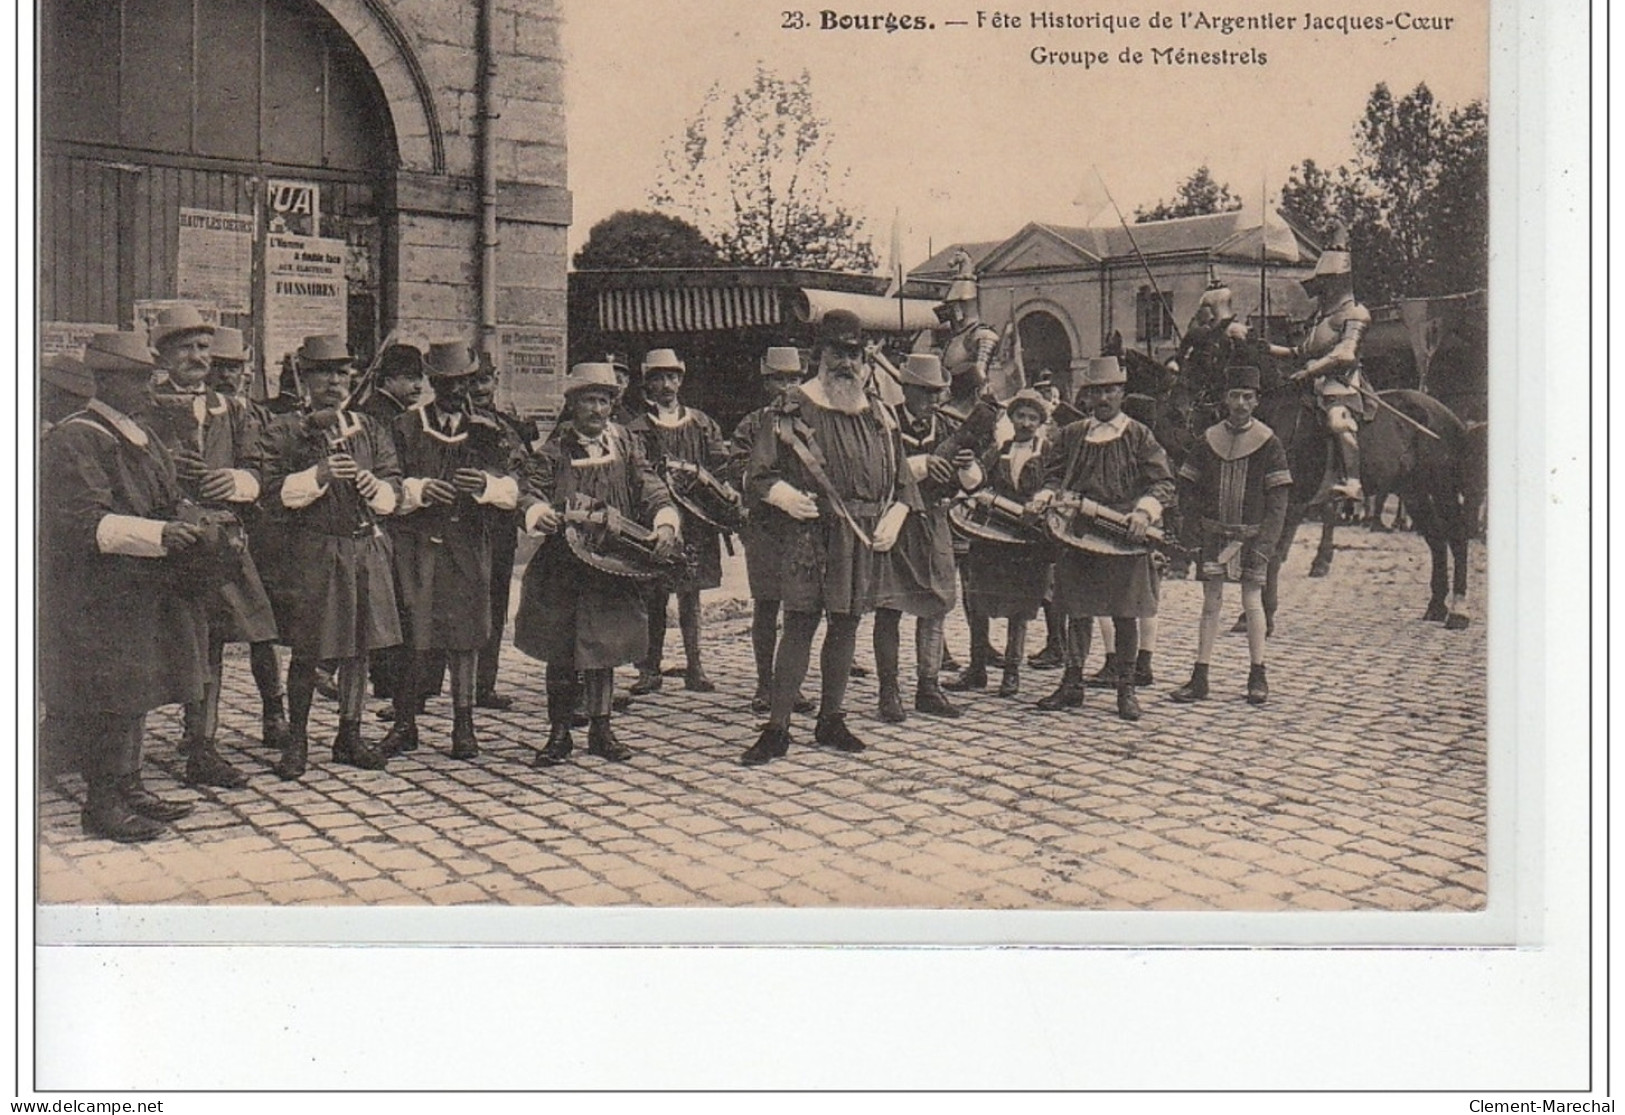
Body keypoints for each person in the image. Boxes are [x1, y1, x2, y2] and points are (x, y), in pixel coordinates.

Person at [41, 331, 211, 841]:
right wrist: (163, 532)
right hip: (95, 589)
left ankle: (129, 784)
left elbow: (167, 493)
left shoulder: (140, 432)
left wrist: (190, 516)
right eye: (138, 380)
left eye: (149, 378)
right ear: (106, 381)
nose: (148, 389)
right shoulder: (76, 436)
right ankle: (101, 804)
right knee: (106, 695)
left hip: (139, 581)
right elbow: (82, 522)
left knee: (135, 691)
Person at [739, 309, 921, 765]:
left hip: (862, 535)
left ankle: (831, 719)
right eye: (838, 352)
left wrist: (896, 513)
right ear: (819, 354)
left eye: (855, 354)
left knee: (847, 622)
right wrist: (783, 495)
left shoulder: (878, 412)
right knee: (800, 622)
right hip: (811, 531)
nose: (847, 362)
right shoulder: (792, 406)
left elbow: (902, 478)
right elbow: (758, 473)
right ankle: (777, 726)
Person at [513, 363, 682, 767]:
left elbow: (650, 486)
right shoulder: (553, 452)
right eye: (589, 400)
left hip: (610, 564)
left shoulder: (624, 444)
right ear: (572, 405)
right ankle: (558, 733)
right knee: (560, 646)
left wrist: (664, 521)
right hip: (563, 565)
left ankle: (602, 730)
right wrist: (538, 511)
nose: (598, 409)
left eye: (604, 400)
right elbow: (528, 491)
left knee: (603, 646)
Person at [261, 334, 404, 779]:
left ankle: (349, 733)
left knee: (360, 648)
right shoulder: (284, 429)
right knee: (310, 647)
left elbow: (394, 483)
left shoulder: (369, 428)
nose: (334, 382)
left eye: (342, 373)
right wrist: (319, 474)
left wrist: (374, 488)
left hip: (365, 547)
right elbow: (271, 493)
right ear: (305, 377)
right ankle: (298, 740)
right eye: (324, 373)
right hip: (316, 550)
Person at [147, 306, 274, 790]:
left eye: (204, 348)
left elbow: (259, 467)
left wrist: (237, 481)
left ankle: (203, 745)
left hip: (220, 542)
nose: (198, 357)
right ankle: (120, 756)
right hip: (165, 541)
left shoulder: (232, 409)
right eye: (186, 348)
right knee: (162, 641)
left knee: (213, 642)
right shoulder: (146, 408)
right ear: (162, 355)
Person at [380, 341, 523, 760]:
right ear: (432, 382)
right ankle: (405, 723)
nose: (457, 390)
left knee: (465, 632)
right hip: (416, 542)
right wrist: (419, 490)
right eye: (447, 382)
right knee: (412, 632)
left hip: (468, 541)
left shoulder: (490, 431)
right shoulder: (406, 426)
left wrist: (487, 487)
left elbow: (516, 485)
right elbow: (386, 481)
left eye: (465, 381)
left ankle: (464, 724)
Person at [1031, 355, 1175, 722]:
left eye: (1111, 390)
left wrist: (1143, 512)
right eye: (1098, 392)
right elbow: (1052, 474)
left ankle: (1125, 687)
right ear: (1089, 396)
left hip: (1122, 533)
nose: (1105, 399)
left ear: (1122, 392)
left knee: (1125, 612)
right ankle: (1072, 682)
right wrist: (1046, 496)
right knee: (1077, 610)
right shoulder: (1074, 434)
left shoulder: (1139, 435)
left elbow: (1162, 482)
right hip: (1078, 531)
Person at [1170, 365, 1292, 705]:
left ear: (1256, 401)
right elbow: (1188, 487)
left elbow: (1278, 502)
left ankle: (1258, 674)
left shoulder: (1270, 444)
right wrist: (1193, 525)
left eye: (1247, 397)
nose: (1240, 403)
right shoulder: (1207, 440)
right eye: (1235, 396)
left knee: (1253, 603)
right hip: (1214, 536)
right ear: (1225, 399)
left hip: (1252, 538)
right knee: (1211, 605)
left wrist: (1267, 545)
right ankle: (1200, 675)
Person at [205, 325, 296, 758]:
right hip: (208, 535)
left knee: (263, 630)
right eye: (219, 368)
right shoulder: (197, 413)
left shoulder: (258, 416)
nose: (227, 377)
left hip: (257, 536)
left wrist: (246, 482)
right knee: (209, 637)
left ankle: (273, 712)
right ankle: (199, 728)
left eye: (235, 368)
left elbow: (267, 467)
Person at [624, 348, 730, 695]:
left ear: (681, 380)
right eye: (658, 378)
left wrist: (715, 487)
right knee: (654, 595)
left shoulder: (701, 423)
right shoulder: (636, 429)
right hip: (655, 519)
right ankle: (649, 667)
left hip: (696, 520)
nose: (666, 385)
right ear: (647, 383)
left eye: (672, 377)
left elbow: (721, 464)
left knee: (691, 594)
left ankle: (695, 666)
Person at [872, 352, 967, 722]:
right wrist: (920, 466)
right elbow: (876, 468)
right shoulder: (885, 421)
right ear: (906, 389)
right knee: (890, 605)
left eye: (937, 394)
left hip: (935, 521)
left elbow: (968, 482)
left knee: (937, 602)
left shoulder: (944, 427)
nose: (932, 401)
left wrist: (966, 469)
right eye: (925, 393)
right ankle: (889, 690)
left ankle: (928, 686)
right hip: (896, 521)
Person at [726, 345, 816, 715]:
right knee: (766, 605)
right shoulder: (752, 424)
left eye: (794, 378)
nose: (787, 386)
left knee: (800, 606)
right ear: (766, 382)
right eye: (779, 379)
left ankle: (790, 684)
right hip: (764, 526)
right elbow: (736, 468)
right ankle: (765, 684)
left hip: (802, 527)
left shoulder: (812, 420)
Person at [955, 388, 1055, 698]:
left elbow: (1055, 480)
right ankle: (977, 668)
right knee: (978, 598)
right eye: (1020, 416)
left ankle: (1011, 672)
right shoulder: (1000, 448)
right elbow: (978, 478)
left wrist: (1042, 499)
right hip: (994, 535)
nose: (1026, 422)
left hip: (1027, 538)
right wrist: (968, 466)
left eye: (1032, 417)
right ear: (1011, 418)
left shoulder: (1047, 450)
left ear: (1040, 421)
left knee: (1020, 605)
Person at [1266, 226, 1372, 503]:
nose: (1321, 288)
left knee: (1338, 421)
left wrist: (1310, 370)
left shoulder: (1356, 313)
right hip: (1313, 384)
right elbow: (1299, 351)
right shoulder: (1320, 319)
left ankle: (1353, 481)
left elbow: (1345, 354)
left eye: (1326, 281)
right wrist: (1265, 348)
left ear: (1340, 281)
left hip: (1342, 386)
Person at [469, 352, 537, 710]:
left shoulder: (507, 423)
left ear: (495, 380)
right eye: (471, 381)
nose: (479, 388)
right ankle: (420, 691)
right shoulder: (448, 422)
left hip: (498, 526)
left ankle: (484, 684)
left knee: (495, 603)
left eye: (485, 379)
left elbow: (523, 469)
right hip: (458, 527)